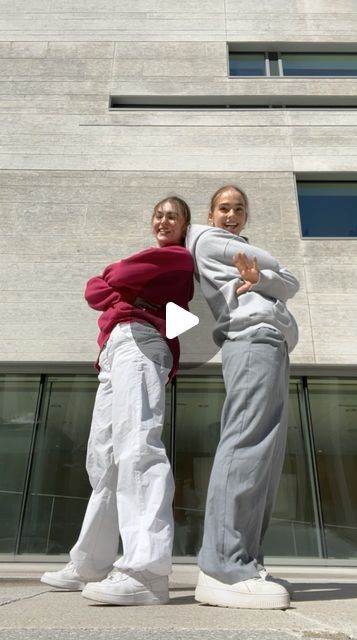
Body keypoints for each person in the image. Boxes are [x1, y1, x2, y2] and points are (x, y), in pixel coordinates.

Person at [41, 196, 194, 606]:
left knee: (137, 448)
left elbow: (114, 277)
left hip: (141, 342)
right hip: (115, 349)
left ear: (184, 226)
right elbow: (93, 291)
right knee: (104, 459)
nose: (164, 220)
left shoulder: (176, 258)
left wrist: (118, 283)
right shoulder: (155, 264)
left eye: (172, 216)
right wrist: (118, 287)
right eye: (158, 214)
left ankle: (147, 571)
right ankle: (91, 563)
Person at [185, 185, 299, 610]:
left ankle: (246, 560)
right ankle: (222, 566)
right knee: (246, 446)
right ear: (211, 214)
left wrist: (266, 279)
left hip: (269, 343)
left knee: (265, 457)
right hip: (251, 339)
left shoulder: (238, 248)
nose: (231, 214)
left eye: (239, 209)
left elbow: (287, 281)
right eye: (224, 208)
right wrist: (272, 277)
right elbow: (288, 279)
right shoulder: (211, 240)